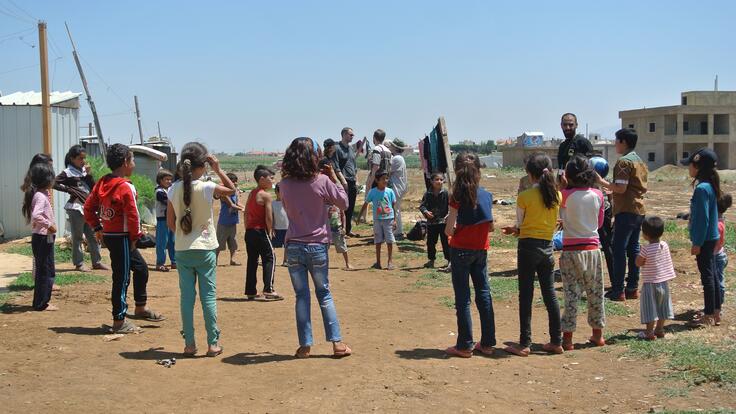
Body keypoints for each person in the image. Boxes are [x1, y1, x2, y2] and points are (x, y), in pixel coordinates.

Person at [278, 137, 351, 359]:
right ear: (314, 157)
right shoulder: (321, 181)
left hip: (294, 246)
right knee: (324, 294)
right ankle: (337, 344)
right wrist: (333, 178)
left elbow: (288, 208)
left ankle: (305, 346)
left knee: (301, 296)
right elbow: (344, 204)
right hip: (318, 246)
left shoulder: (284, 184)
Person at [84, 143, 164, 333]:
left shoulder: (102, 183)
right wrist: (136, 237)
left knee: (141, 269)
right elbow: (133, 215)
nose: (134, 163)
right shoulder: (125, 187)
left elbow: (88, 208)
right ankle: (119, 321)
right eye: (132, 159)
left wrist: (97, 227)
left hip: (112, 236)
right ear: (125, 162)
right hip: (123, 238)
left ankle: (140, 308)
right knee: (121, 278)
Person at [167, 142, 236, 357]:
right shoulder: (207, 187)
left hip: (183, 249)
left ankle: (189, 344)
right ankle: (212, 344)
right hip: (205, 249)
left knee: (186, 298)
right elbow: (232, 191)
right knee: (208, 297)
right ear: (203, 165)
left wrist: (182, 233)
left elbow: (171, 222)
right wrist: (218, 169)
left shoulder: (173, 189)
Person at [502, 153, 563, 356]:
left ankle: (524, 343)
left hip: (528, 247)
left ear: (530, 174)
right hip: (548, 246)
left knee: (526, 295)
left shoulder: (525, 197)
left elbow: (520, 225)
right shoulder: (557, 195)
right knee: (550, 294)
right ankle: (556, 340)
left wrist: (513, 230)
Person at [443, 152, 496, 358]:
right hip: (480, 250)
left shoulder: (455, 195)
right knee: (483, 293)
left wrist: (454, 229)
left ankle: (465, 345)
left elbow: (448, 230)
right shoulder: (486, 195)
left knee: (463, 297)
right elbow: (490, 227)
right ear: (479, 171)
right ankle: (488, 342)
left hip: (460, 250)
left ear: (457, 171)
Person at [559, 155, 606, 350]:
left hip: (571, 251)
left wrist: (562, 187)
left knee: (571, 294)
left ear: (567, 175)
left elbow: (560, 216)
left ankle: (567, 339)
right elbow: (601, 222)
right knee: (595, 294)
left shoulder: (565, 195)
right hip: (593, 250)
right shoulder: (598, 194)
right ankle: (598, 335)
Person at [600, 128, 648, 301]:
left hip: (626, 210)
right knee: (633, 248)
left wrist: (600, 181)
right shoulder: (639, 161)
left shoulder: (623, 162)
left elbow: (621, 188)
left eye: (616, 140)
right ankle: (632, 288)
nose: (615, 144)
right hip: (638, 210)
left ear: (623, 142)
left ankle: (618, 289)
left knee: (619, 249)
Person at [682, 148, 722, 325]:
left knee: (707, 277)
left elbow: (702, 219)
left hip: (704, 239)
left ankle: (708, 315)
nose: (688, 168)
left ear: (697, 166)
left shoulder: (701, 189)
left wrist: (697, 242)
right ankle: (715, 311)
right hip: (712, 236)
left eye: (690, 164)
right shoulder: (710, 185)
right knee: (712, 274)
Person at [54, 145, 107, 272]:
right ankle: (79, 263)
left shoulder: (84, 171)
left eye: (84, 158)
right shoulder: (68, 172)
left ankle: (97, 262)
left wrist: (89, 175)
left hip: (88, 208)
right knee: (77, 237)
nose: (83, 161)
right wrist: (68, 189)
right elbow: (53, 182)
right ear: (72, 159)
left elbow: (93, 188)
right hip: (76, 208)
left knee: (93, 236)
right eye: (80, 158)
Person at [22, 162, 58, 311]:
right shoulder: (40, 196)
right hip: (43, 238)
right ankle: (41, 303)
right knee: (46, 270)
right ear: (46, 180)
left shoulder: (40, 194)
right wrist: (49, 225)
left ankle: (41, 302)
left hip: (43, 237)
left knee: (46, 269)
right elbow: (37, 215)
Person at [244, 165, 283, 301]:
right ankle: (269, 289)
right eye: (270, 178)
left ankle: (250, 291)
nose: (273, 180)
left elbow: (246, 212)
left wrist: (247, 227)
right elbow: (268, 216)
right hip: (260, 230)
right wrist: (270, 229)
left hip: (249, 231)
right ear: (262, 179)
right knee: (270, 257)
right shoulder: (265, 195)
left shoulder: (252, 193)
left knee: (252, 261)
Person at [635, 216, 676, 340]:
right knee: (662, 306)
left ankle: (649, 332)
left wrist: (638, 256)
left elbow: (638, 263)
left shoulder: (645, 249)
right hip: (663, 282)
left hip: (650, 283)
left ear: (645, 234)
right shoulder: (664, 245)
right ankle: (659, 329)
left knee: (650, 308)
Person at [358, 171, 397, 270]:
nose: (385, 181)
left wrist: (395, 220)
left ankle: (390, 262)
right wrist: (359, 216)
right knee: (378, 241)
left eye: (386, 179)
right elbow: (366, 203)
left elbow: (393, 206)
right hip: (377, 220)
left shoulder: (390, 191)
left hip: (389, 219)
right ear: (377, 180)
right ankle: (378, 262)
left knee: (389, 241)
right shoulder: (373, 192)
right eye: (383, 179)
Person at [419, 172, 450, 271]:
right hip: (431, 223)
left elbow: (451, 206)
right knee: (431, 242)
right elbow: (422, 206)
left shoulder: (446, 193)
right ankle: (431, 260)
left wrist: (449, 214)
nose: (439, 182)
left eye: (441, 180)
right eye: (436, 179)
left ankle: (449, 261)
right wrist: (426, 212)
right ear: (431, 181)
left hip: (443, 222)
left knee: (446, 242)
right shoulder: (428, 194)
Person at [361, 129, 392, 221]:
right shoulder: (388, 151)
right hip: (386, 179)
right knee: (383, 202)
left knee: (376, 203)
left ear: (374, 138)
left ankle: (378, 224)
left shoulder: (376, 149)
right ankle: (384, 224)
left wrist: (371, 180)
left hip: (377, 179)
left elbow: (376, 166)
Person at [216, 172, 245, 266]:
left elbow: (237, 203)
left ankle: (232, 260)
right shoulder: (224, 193)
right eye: (234, 181)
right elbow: (231, 205)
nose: (236, 183)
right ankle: (214, 261)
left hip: (232, 221)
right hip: (224, 222)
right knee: (219, 243)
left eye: (236, 181)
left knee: (233, 242)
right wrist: (243, 209)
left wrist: (245, 207)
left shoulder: (234, 192)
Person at [335, 127, 360, 237]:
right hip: (343, 182)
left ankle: (348, 229)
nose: (352, 136)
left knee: (350, 207)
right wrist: (342, 181)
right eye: (350, 134)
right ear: (344, 135)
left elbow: (354, 167)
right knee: (342, 207)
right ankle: (342, 230)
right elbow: (336, 167)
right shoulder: (337, 148)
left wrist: (357, 180)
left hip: (352, 181)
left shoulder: (351, 149)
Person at [386, 139, 409, 239]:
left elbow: (388, 171)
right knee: (396, 208)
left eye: (391, 146)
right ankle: (397, 230)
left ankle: (397, 231)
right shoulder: (399, 158)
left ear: (395, 147)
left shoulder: (396, 159)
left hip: (397, 187)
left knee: (395, 209)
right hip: (399, 186)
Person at [154, 169, 176, 271]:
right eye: (166, 179)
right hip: (162, 220)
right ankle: (160, 263)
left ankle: (174, 262)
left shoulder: (170, 190)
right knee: (162, 242)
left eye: (170, 180)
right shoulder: (159, 191)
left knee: (172, 241)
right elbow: (169, 202)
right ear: (160, 180)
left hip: (171, 219)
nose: (169, 181)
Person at [715, 194, 732, 309]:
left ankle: (717, 306)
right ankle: (718, 305)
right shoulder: (721, 220)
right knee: (719, 280)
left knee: (717, 282)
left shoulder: (715, 224)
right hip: (720, 253)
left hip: (716, 255)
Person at [271, 183, 289, 267]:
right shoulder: (273, 203)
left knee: (287, 245)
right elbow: (272, 216)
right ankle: (271, 259)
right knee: (272, 245)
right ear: (276, 192)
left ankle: (285, 260)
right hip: (277, 228)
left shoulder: (288, 203)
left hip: (287, 228)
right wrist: (272, 228)